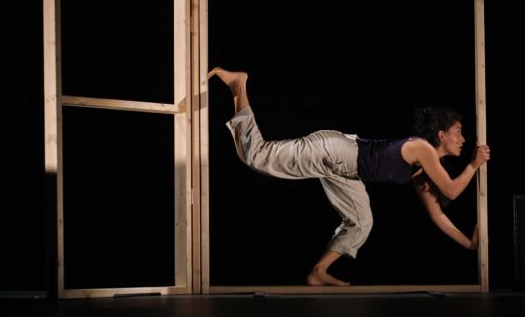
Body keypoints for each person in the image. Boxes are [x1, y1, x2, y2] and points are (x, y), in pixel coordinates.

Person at [208, 66, 491, 286]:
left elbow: (438, 214)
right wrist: (473, 165)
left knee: (361, 221)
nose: (463, 139)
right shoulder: (423, 148)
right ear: (441, 135)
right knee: (257, 156)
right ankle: (239, 85)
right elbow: (452, 191)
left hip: (347, 170)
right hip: (336, 151)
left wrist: (468, 243)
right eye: (458, 132)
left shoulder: (422, 169)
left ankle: (318, 272)